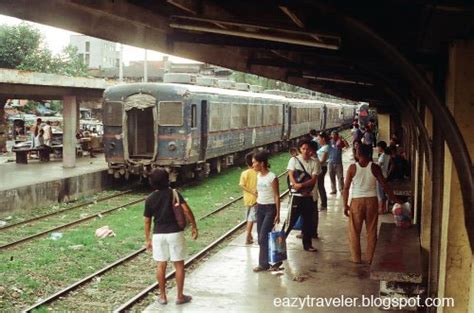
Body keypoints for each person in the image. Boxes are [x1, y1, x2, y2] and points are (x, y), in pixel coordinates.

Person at [144, 168, 198, 305]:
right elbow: (186, 209)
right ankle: (180, 296)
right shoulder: (174, 193)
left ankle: (162, 296)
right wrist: (194, 226)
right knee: (179, 265)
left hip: (158, 235)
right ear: (167, 180)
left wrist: (148, 239)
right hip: (175, 233)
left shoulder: (149, 199)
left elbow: (147, 220)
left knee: (161, 265)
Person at [342, 144, 400, 264]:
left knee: (354, 231)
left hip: (356, 202)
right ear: (369, 153)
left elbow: (346, 188)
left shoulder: (352, 168)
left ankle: (356, 258)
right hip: (371, 201)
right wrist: (394, 199)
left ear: (358, 153)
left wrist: (345, 205)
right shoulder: (374, 167)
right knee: (371, 230)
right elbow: (384, 185)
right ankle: (370, 258)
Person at [286, 139, 319, 251]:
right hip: (296, 197)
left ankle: (307, 244)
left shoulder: (314, 162)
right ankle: (280, 242)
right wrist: (295, 184)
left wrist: (301, 185)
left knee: (308, 222)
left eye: (307, 149)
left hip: (308, 197)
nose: (305, 151)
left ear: (311, 150)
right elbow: (290, 174)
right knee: (289, 222)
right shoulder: (293, 160)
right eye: (303, 148)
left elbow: (314, 180)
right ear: (300, 149)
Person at [252, 151, 281, 272]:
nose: (252, 165)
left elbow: (276, 196)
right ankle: (269, 261)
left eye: (254, 163)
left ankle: (265, 263)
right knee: (261, 236)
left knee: (263, 236)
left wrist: (278, 214)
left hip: (270, 209)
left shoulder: (272, 177)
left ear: (262, 163)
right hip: (260, 208)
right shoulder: (258, 176)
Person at [239, 152, 258, 245]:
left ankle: (249, 236)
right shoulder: (257, 173)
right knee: (251, 218)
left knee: (248, 217)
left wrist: (249, 191)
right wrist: (253, 192)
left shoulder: (244, 173)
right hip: (256, 199)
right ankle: (248, 235)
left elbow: (242, 185)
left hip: (247, 199)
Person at [328, 131, 348, 195]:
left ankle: (341, 189)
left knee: (340, 177)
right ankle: (333, 190)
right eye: (331, 134)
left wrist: (343, 139)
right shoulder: (329, 141)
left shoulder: (340, 141)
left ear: (337, 135)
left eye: (334, 134)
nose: (332, 136)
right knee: (331, 176)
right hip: (330, 162)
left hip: (338, 162)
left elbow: (347, 146)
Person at [376, 141, 391, 213]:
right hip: (385, 175)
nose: (377, 148)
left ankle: (381, 209)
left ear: (381, 147)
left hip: (381, 176)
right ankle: (384, 208)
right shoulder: (388, 155)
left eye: (378, 147)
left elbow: (379, 165)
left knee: (380, 193)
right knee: (384, 192)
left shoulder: (383, 156)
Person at [316, 132, 330, 210]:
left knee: (320, 186)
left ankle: (323, 205)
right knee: (319, 186)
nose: (318, 140)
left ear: (323, 139)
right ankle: (323, 204)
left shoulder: (326, 147)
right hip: (320, 168)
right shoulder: (323, 147)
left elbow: (323, 160)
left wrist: (315, 162)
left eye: (319, 139)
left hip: (321, 168)